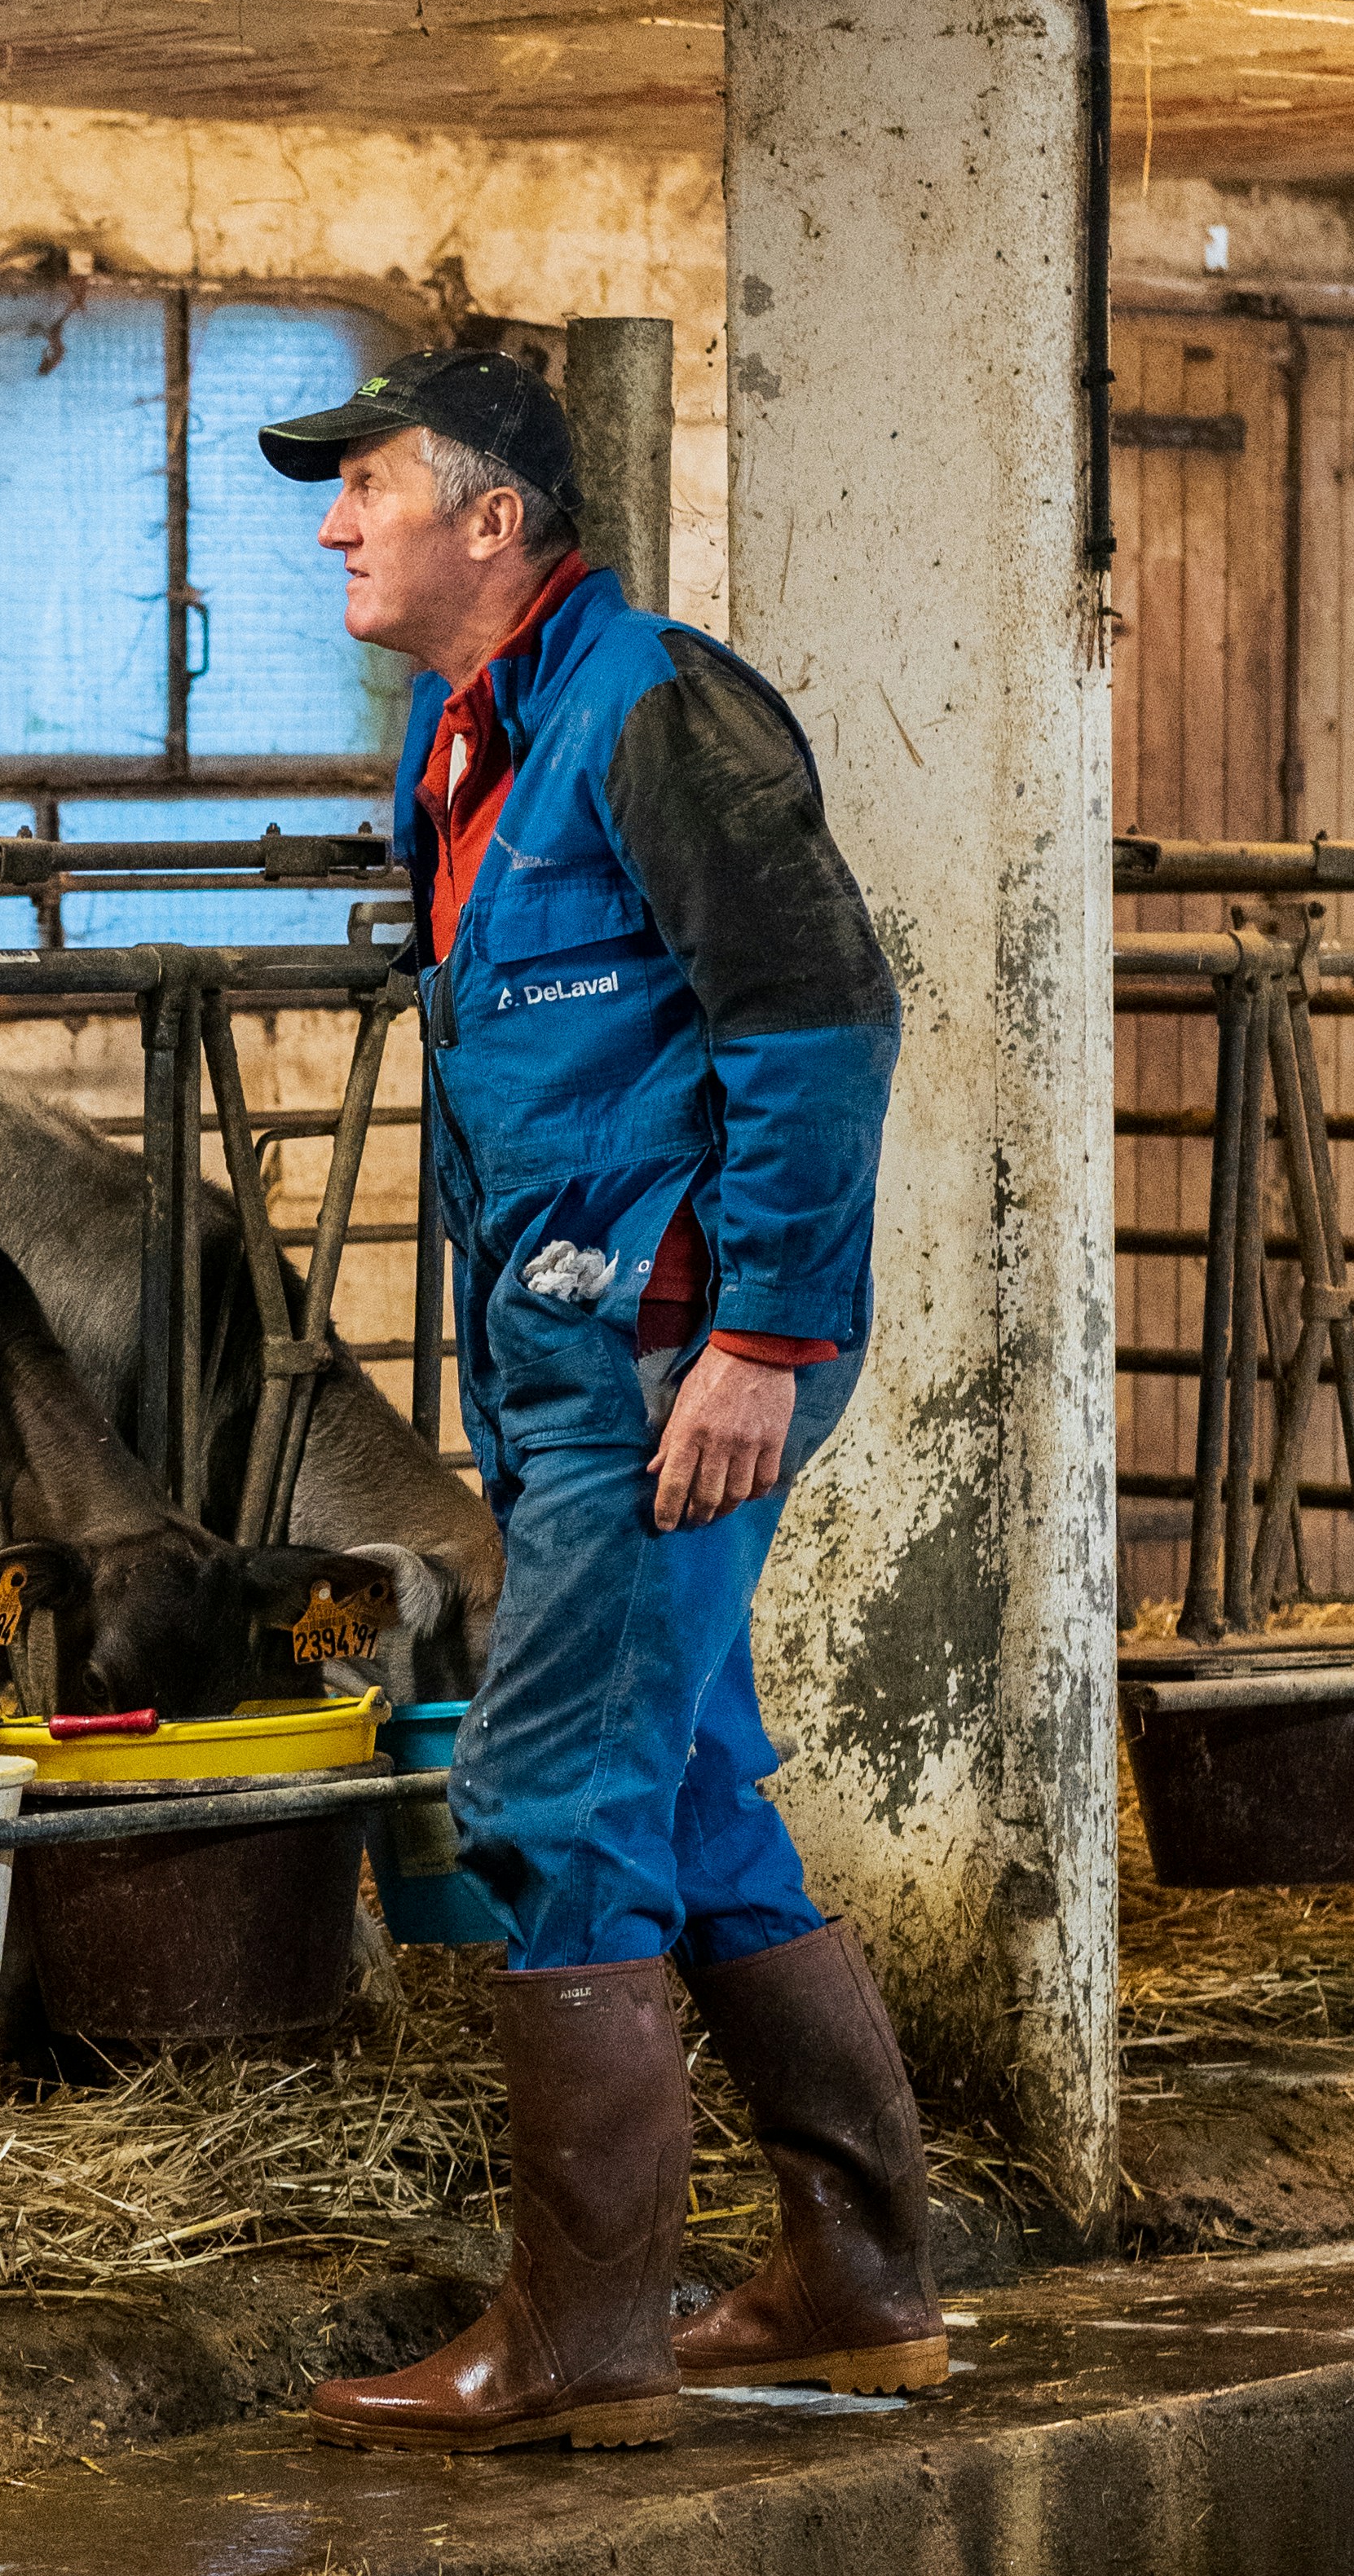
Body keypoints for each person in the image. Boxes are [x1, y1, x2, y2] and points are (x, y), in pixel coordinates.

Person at [256, 348, 947, 2451]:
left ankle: (577, 2346)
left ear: (490, 521)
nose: (327, 525)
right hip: (569, 1349)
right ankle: (851, 2278)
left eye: (363, 485)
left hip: (672, 1359)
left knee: (550, 1802)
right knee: (692, 1805)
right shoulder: (469, 736)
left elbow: (818, 1016)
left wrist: (762, 1340)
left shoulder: (655, 707)